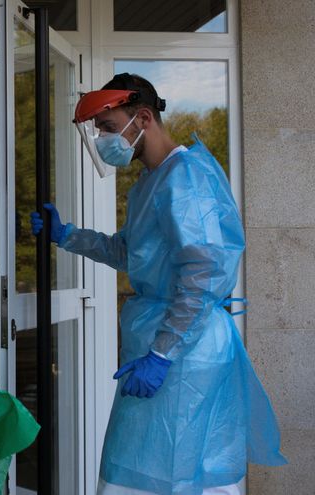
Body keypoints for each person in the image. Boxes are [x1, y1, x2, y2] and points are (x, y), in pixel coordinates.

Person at [31, 73, 286, 495]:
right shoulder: (152, 182)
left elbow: (200, 275)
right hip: (166, 347)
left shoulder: (185, 178)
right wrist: (67, 235)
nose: (102, 140)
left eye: (108, 128)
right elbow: (130, 252)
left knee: (181, 477)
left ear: (143, 117)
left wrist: (162, 353)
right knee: (148, 472)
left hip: (185, 351)